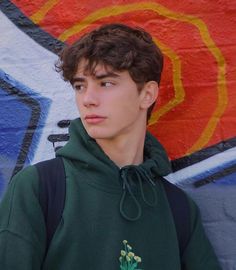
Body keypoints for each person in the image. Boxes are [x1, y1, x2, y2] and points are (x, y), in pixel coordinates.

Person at [0, 23, 221, 270]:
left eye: (105, 83)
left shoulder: (177, 209)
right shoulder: (41, 189)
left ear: (147, 95)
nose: (88, 100)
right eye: (80, 86)